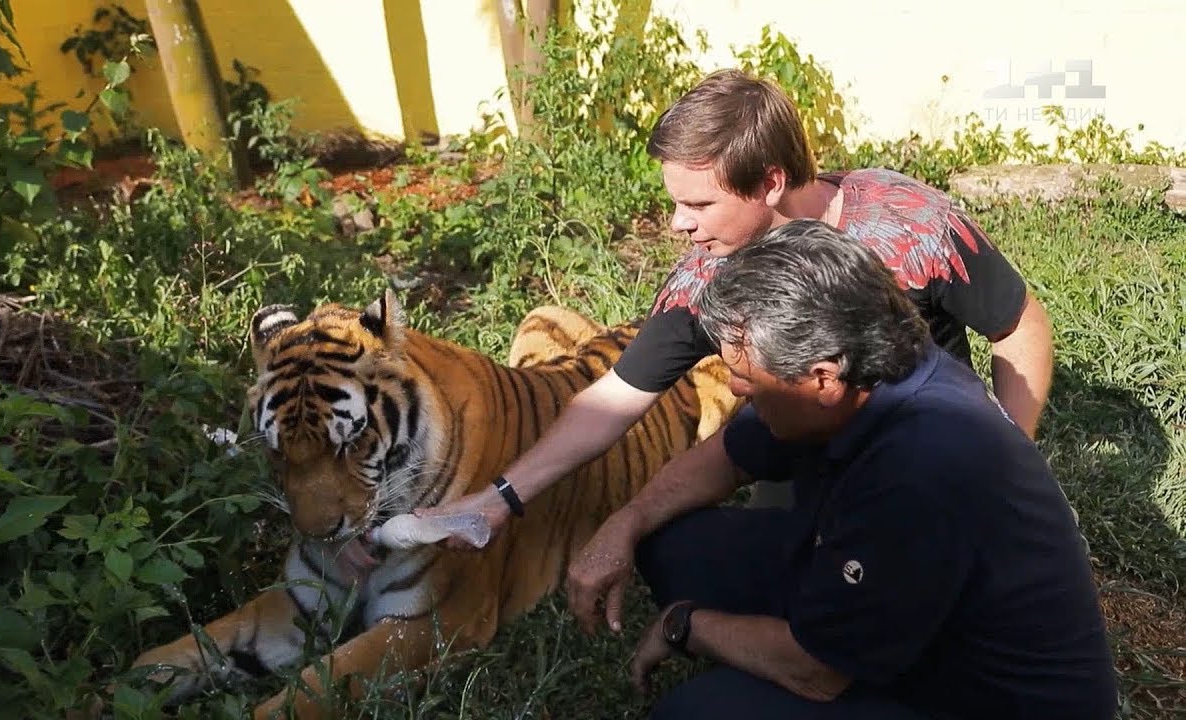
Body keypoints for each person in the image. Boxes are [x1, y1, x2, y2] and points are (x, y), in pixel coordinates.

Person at [421, 67, 1054, 546]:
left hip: (929, 454)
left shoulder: (908, 226)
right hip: (804, 454)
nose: (677, 224)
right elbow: (615, 398)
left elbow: (1018, 325)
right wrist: (498, 499)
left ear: (771, 181)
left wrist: (1001, 461)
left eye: (698, 204)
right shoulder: (707, 274)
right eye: (676, 202)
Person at [566, 219, 1115, 720]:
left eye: (745, 379)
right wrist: (629, 520)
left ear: (823, 380)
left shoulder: (920, 468)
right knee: (672, 541)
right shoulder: (870, 359)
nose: (734, 388)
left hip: (976, 696)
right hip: (902, 607)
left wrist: (684, 627)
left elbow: (820, 673)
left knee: (694, 712)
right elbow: (730, 456)